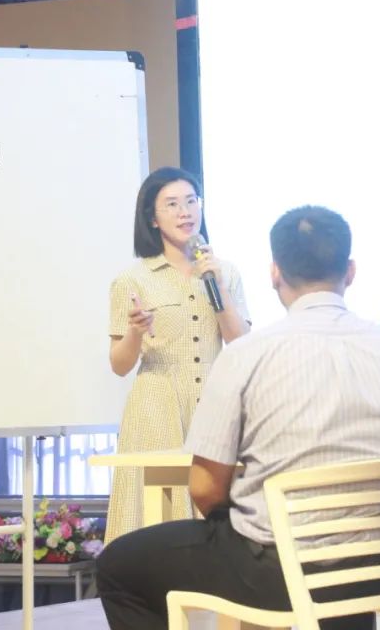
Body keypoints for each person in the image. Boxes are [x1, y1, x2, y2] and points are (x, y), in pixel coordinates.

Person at [98, 205, 380, 630]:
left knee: (118, 566)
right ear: (350, 272)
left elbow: (204, 487)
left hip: (274, 573)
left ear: (275, 273)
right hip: (377, 564)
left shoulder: (247, 355)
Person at [104, 166, 251, 544]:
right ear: (153, 219)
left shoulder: (224, 271)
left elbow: (240, 342)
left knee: (218, 508)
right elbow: (119, 365)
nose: (185, 212)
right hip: (158, 408)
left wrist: (217, 285)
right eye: (171, 204)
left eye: (191, 201)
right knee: (159, 516)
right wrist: (135, 332)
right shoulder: (133, 279)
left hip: (214, 403)